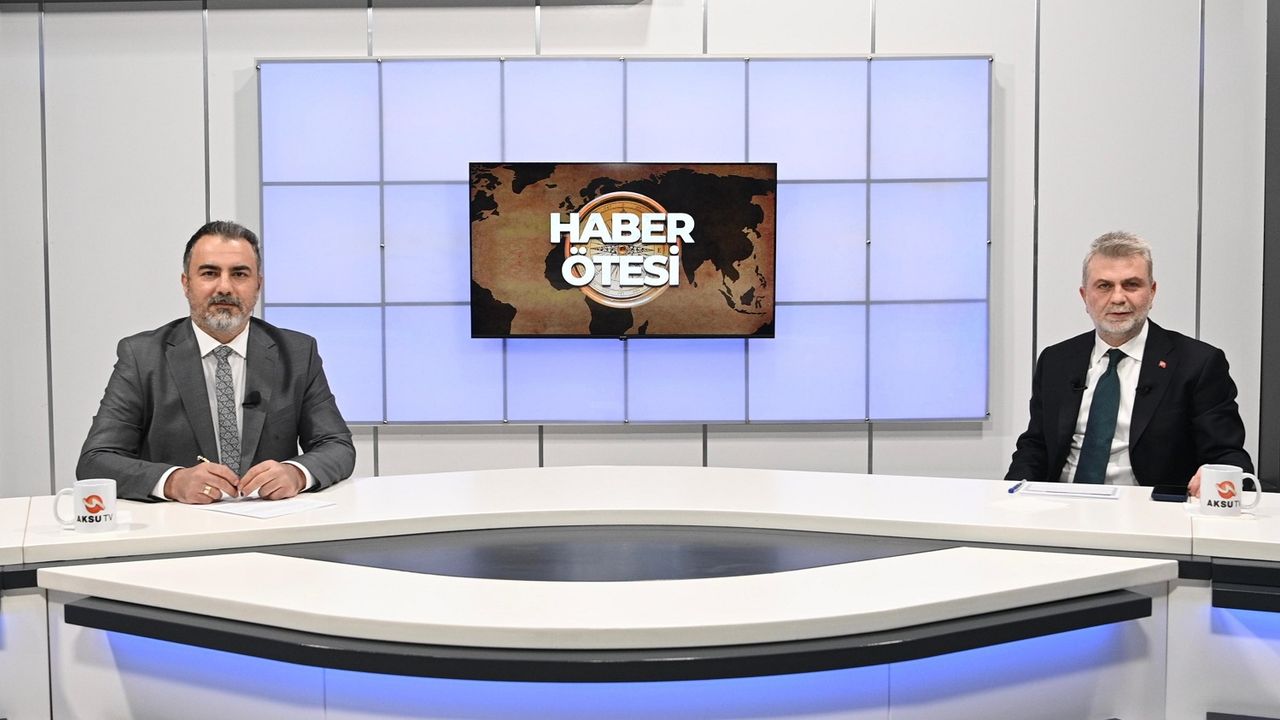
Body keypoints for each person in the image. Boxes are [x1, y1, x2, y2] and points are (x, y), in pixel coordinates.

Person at [77, 221, 355, 503]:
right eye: (209, 273)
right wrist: (173, 481)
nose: (225, 287)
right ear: (186, 284)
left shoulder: (297, 353)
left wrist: (296, 474)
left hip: (270, 518)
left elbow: (337, 445)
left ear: (258, 284)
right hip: (179, 521)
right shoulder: (142, 356)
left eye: (239, 274)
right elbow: (95, 460)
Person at [1006, 230, 1255, 494]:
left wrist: (1219, 475)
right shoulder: (1056, 360)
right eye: (1104, 286)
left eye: (1131, 285)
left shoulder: (1198, 363)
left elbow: (1227, 455)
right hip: (1062, 503)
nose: (1118, 298)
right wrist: (1011, 495)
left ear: (1152, 292)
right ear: (1084, 296)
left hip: (1152, 510)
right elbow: (1036, 445)